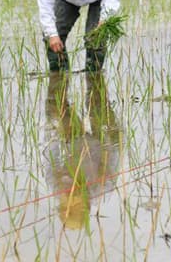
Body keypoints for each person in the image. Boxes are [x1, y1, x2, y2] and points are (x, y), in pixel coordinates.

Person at [44, 72, 121, 229]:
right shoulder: (102, 186)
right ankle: (95, 75)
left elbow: (51, 154)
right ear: (86, 204)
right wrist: (104, 131)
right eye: (72, 206)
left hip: (74, 140)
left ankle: (62, 72)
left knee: (55, 109)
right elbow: (113, 150)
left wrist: (58, 132)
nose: (68, 198)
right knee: (97, 104)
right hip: (101, 141)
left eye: (65, 204)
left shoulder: (57, 184)